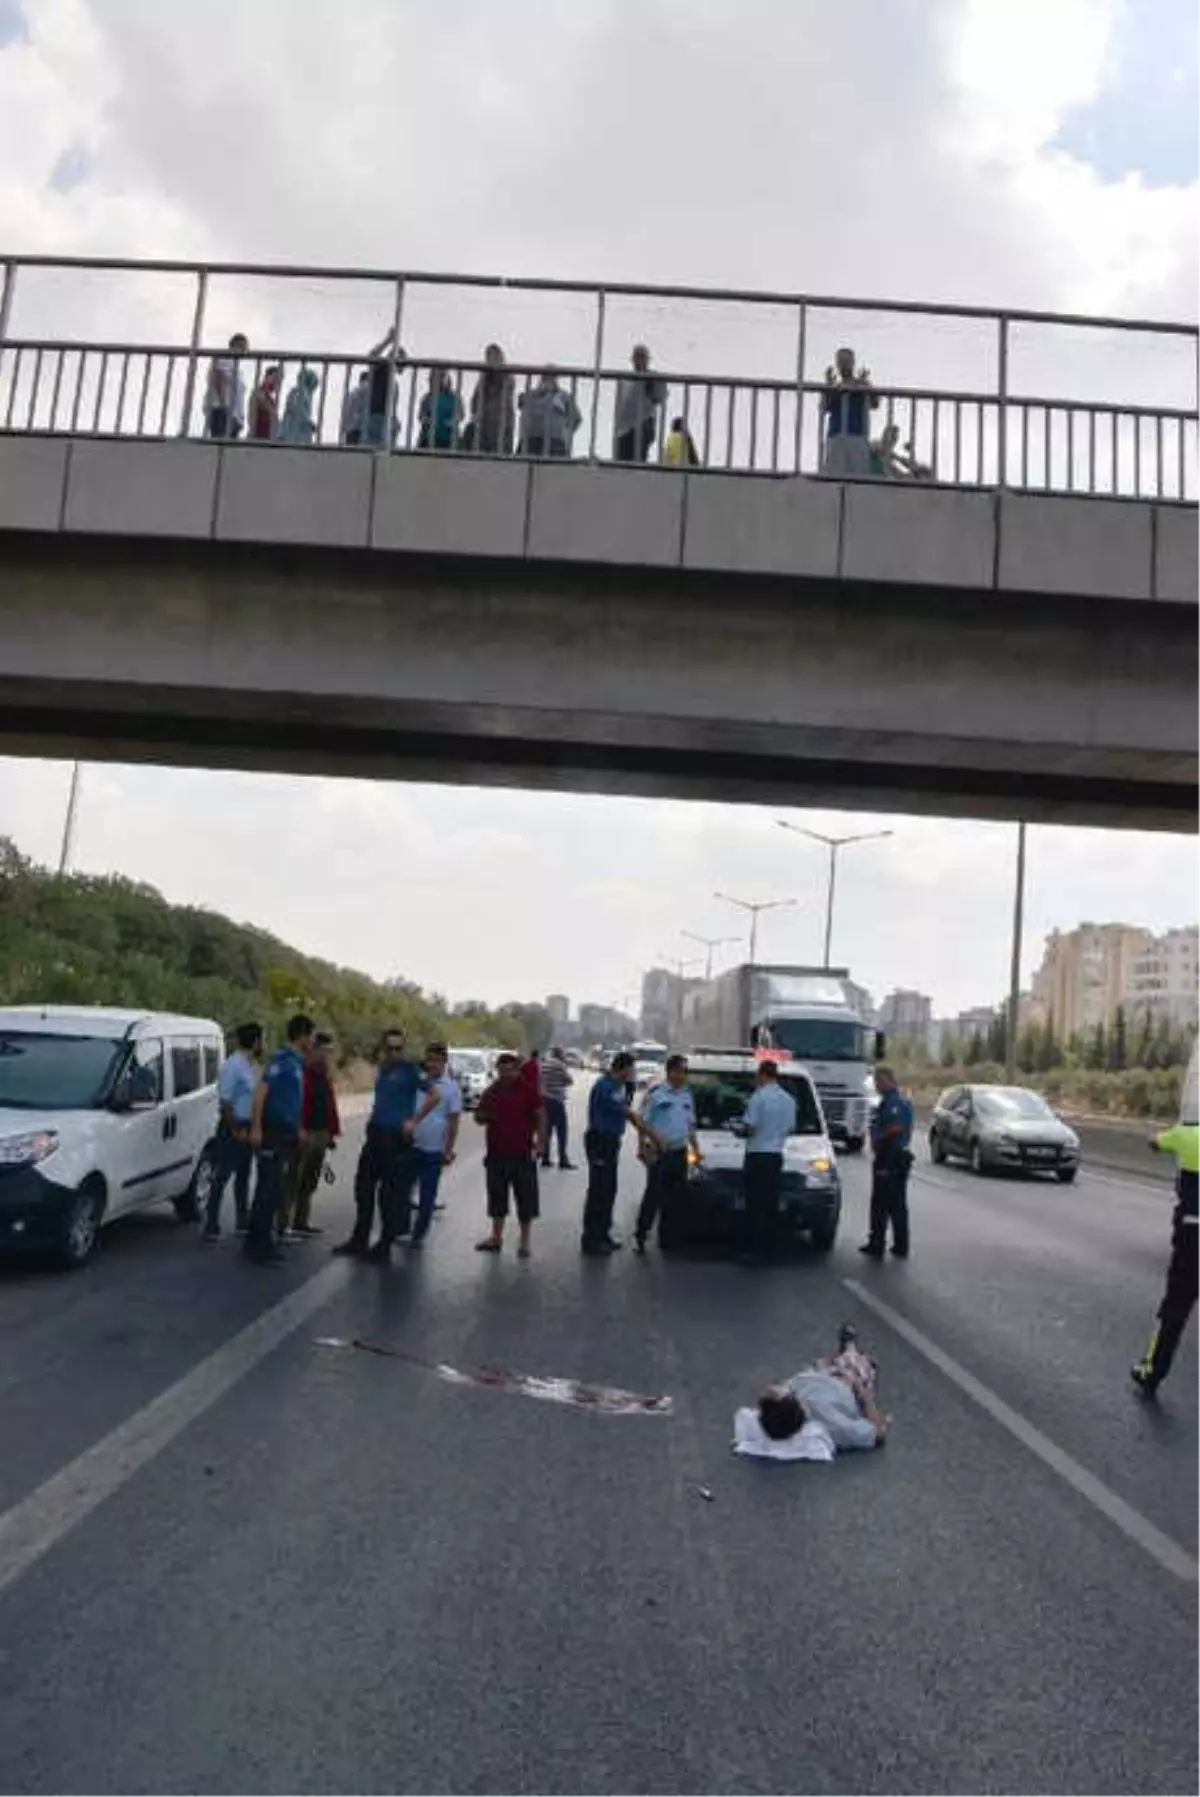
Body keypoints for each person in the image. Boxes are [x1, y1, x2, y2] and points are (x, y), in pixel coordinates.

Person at [332, 1028, 439, 1263]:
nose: (394, 1053)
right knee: (363, 1188)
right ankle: (359, 1240)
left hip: (394, 1137)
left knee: (389, 1194)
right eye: (389, 1048)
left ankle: (385, 1245)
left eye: (398, 1048)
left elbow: (434, 1095)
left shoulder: (410, 1070)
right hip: (376, 1134)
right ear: (383, 1049)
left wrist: (413, 1121)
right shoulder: (382, 1069)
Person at [734, 1324, 888, 1461]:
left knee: (828, 1363)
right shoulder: (833, 1422)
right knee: (854, 1364)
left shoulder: (789, 1396)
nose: (773, 1386)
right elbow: (877, 1433)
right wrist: (865, 1397)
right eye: (776, 1391)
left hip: (822, 1374)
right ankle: (851, 1349)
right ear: (794, 1401)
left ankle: (846, 1353)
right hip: (847, 1381)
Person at [1131, 1118, 1200, 1397]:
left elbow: (1154, 1142)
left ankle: (1151, 1370)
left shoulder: (1188, 1134)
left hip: (1191, 1240)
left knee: (1173, 1312)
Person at [246, 1013, 315, 1266]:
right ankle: (260, 1247)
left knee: (273, 1189)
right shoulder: (282, 1060)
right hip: (272, 1133)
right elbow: (261, 1093)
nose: (313, 1042)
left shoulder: (297, 1062)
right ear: (303, 1036)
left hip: (286, 1133)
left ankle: (255, 1242)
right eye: (311, 1037)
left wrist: (298, 1128)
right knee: (268, 1190)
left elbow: (291, 1101)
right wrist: (256, 1128)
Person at [581, 1050, 663, 1256]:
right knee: (599, 1190)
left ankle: (603, 1234)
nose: (633, 1073)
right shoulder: (605, 1087)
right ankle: (591, 1238)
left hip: (611, 1141)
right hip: (600, 1140)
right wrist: (654, 1136)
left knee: (609, 1189)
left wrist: (630, 1089)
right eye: (632, 1069)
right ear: (624, 1069)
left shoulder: (620, 1087)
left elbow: (627, 1109)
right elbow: (630, 1115)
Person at [474, 1052, 546, 1257]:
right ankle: (496, 1238)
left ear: (516, 1070)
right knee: (497, 1198)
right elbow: (478, 1117)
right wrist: (484, 1116)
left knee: (526, 1200)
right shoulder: (492, 1091)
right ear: (497, 1070)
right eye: (502, 1070)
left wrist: (541, 1142)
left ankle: (524, 1242)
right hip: (496, 1154)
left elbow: (541, 1115)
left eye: (510, 1070)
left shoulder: (528, 1091)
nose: (505, 1074)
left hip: (523, 1154)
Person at [635, 1053, 700, 1253]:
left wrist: (696, 1149)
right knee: (653, 1196)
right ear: (670, 1071)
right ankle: (641, 1233)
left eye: (684, 1072)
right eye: (679, 1071)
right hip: (659, 1152)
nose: (682, 1076)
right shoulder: (656, 1093)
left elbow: (690, 1125)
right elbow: (641, 1121)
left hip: (679, 1151)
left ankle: (669, 1239)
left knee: (675, 1198)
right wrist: (641, 1147)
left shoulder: (687, 1095)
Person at [203, 1020, 263, 1241]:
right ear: (255, 1041)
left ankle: (242, 1220)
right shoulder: (233, 1065)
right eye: (260, 1039)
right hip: (233, 1125)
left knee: (244, 1175)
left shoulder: (250, 1066)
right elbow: (225, 1102)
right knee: (222, 1175)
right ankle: (211, 1224)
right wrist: (235, 1127)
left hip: (247, 1124)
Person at [279, 1031, 340, 1239]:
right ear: (314, 1049)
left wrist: (331, 1133)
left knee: (310, 1181)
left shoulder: (325, 1074)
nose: (326, 1055)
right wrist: (298, 1129)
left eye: (329, 1052)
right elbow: (293, 1104)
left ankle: (301, 1222)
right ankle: (283, 1225)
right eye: (323, 1050)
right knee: (292, 1180)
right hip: (304, 1132)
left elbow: (330, 1105)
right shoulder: (300, 1071)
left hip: (321, 1132)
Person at [739, 1059, 797, 1262]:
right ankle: (770, 1247)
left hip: (757, 1154)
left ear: (762, 1075)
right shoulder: (789, 1100)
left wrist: (741, 1131)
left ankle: (753, 1249)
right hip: (776, 1155)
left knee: (754, 1204)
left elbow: (751, 1127)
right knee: (770, 1203)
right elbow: (790, 1128)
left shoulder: (759, 1097)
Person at [409, 1042, 463, 1249]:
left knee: (427, 1197)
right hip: (410, 1146)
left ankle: (418, 1235)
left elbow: (454, 1121)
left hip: (434, 1150)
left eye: (436, 1060)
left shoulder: (451, 1088)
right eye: (428, 1059)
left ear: (444, 1062)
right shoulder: (417, 1081)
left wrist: (448, 1150)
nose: (431, 1064)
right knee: (402, 1190)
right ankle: (401, 1228)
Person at [860, 1066, 914, 1260]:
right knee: (894, 1203)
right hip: (892, 1155)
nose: (876, 1086)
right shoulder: (892, 1100)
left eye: (878, 1082)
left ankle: (879, 1243)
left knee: (884, 1203)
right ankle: (897, 1244)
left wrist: (879, 1141)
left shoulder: (894, 1102)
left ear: (887, 1080)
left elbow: (895, 1126)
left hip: (891, 1156)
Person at [821, 346, 878, 478]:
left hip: (857, 435)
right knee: (832, 477)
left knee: (859, 478)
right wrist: (827, 386)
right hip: (835, 435)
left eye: (846, 361)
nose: (843, 364)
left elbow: (875, 403)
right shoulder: (835, 387)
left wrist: (865, 385)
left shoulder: (862, 385)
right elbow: (824, 407)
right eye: (840, 361)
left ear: (853, 363)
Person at [613, 344, 667, 463]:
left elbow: (660, 396)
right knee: (622, 461)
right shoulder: (625, 380)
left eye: (642, 357)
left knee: (638, 459)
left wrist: (652, 386)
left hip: (643, 423)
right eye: (637, 358)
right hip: (624, 428)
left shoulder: (652, 377)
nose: (639, 361)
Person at [517, 368, 581, 459]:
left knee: (554, 469)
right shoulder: (530, 394)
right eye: (545, 376)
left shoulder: (563, 396)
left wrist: (565, 433)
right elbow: (521, 403)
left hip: (554, 441)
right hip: (531, 439)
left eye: (551, 377)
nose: (548, 379)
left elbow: (576, 418)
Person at [464, 343, 515, 455]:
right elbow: (475, 401)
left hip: (501, 424)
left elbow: (506, 393)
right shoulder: (484, 378)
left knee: (500, 455)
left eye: (494, 357)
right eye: (489, 357)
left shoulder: (507, 376)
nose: (492, 361)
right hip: (483, 423)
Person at [204, 333, 248, 440]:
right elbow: (218, 378)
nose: (244, 351)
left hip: (234, 416)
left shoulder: (237, 368)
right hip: (222, 410)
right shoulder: (223, 359)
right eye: (242, 347)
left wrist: (240, 417)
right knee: (220, 443)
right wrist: (224, 406)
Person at [539, 1046, 575, 1170]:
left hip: (544, 1100)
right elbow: (569, 1080)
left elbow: (540, 1080)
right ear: (560, 1055)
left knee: (547, 1130)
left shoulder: (543, 1064)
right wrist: (560, 1083)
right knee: (562, 1131)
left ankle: (545, 1157)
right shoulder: (560, 1065)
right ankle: (563, 1159)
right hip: (556, 1100)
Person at [418, 366, 464, 452]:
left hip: (450, 439)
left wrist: (453, 421)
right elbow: (421, 415)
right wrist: (426, 420)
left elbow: (461, 415)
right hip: (429, 438)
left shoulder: (454, 398)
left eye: (438, 378)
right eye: (432, 378)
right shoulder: (427, 398)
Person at [278, 367, 320, 445]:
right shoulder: (298, 392)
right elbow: (295, 407)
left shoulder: (307, 394)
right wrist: (307, 422)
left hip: (301, 433)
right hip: (292, 431)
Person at [247, 365, 281, 441]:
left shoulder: (270, 398)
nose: (277, 382)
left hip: (266, 438)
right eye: (275, 378)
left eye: (279, 380)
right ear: (266, 377)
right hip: (257, 437)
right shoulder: (259, 392)